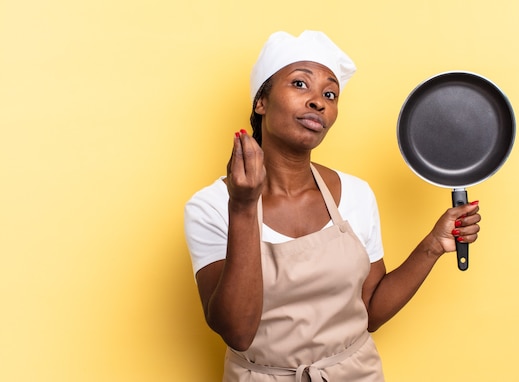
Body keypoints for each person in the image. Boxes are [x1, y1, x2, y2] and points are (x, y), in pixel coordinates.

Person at [184, 30, 481, 382]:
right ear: (260, 101)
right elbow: (237, 332)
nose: (318, 101)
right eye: (299, 84)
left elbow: (369, 311)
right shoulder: (212, 207)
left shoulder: (356, 194)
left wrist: (433, 244)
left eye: (329, 94)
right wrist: (244, 207)